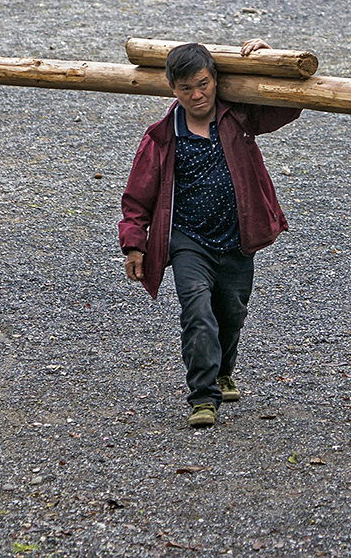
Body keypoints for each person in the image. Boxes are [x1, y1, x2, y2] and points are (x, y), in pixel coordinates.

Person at [119, 39, 302, 428]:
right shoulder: (163, 136)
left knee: (231, 313)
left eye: (203, 84)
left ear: (215, 80)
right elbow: (137, 196)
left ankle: (222, 371)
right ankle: (203, 397)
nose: (197, 95)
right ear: (173, 89)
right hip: (188, 240)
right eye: (186, 88)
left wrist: (268, 59)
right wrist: (134, 245)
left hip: (237, 238)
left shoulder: (239, 119)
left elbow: (289, 105)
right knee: (197, 312)